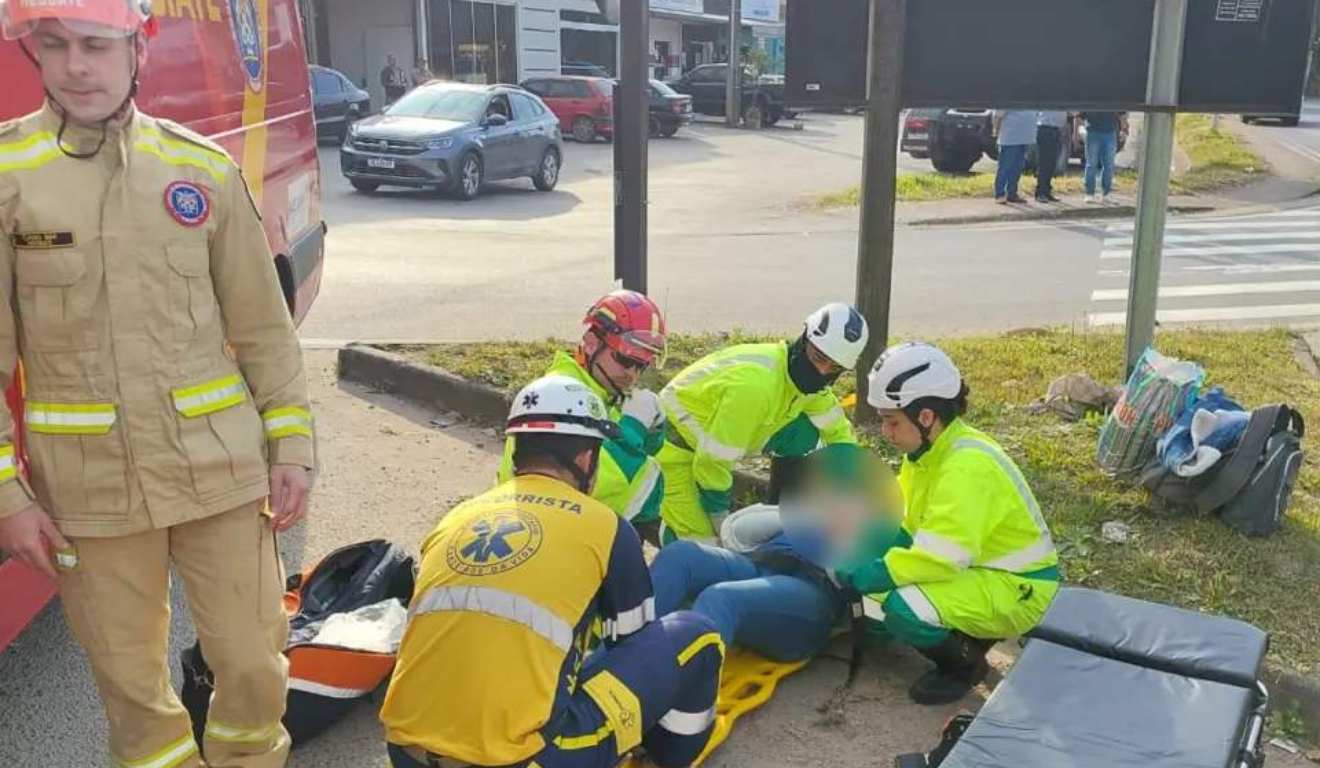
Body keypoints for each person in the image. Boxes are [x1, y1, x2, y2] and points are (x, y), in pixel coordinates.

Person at [0, 2, 315, 766]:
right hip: (90, 496)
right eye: (56, 44)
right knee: (134, 695)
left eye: (95, 45)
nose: (76, 65)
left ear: (137, 46)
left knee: (251, 663)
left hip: (220, 473)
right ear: (33, 50)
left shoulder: (202, 170)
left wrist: (293, 445)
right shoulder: (8, 180)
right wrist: (9, 497)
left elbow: (265, 329)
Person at [381, 375, 724, 768]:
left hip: (405, 752)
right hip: (524, 759)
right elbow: (632, 645)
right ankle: (665, 759)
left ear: (517, 453)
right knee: (697, 637)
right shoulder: (605, 526)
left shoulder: (456, 518)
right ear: (585, 460)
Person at [835, 342, 1059, 705]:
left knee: (902, 609)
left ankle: (964, 666)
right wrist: (863, 547)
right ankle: (966, 634)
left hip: (1018, 588)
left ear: (926, 417)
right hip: (979, 570)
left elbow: (938, 557)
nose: (885, 432)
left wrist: (871, 573)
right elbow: (906, 525)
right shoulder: (926, 453)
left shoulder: (966, 467)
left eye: (892, 421)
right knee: (878, 603)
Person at [650, 443, 900, 663]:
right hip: (758, 566)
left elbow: (872, 595)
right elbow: (734, 534)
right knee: (680, 555)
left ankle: (672, 694)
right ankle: (625, 650)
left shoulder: (877, 536)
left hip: (810, 593)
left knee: (720, 598)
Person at [657, 303, 868, 544]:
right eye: (819, 358)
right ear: (804, 339)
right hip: (673, 447)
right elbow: (712, 462)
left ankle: (780, 515)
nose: (822, 372)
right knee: (705, 548)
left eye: (835, 368)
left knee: (807, 432)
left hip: (715, 437)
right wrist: (721, 519)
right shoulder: (755, 389)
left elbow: (837, 430)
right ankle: (669, 532)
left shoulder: (805, 382)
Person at [497, 290, 668, 538]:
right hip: (552, 535)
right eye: (624, 359)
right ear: (591, 343)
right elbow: (589, 485)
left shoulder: (602, 391)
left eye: (640, 365)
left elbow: (639, 462)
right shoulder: (559, 396)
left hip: (575, 531)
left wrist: (652, 432)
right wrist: (632, 428)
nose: (632, 374)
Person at [1081, 111, 1128, 203]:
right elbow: (1080, 115)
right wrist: (1078, 132)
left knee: (1109, 165)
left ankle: (1106, 194)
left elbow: (1122, 114)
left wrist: (1123, 130)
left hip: (1110, 133)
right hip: (1092, 132)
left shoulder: (1115, 98)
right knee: (1091, 164)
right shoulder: (1090, 97)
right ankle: (1089, 193)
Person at [992, 109, 1036, 204]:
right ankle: (999, 194)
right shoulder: (1008, 97)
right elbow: (998, 116)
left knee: (1018, 167)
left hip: (1025, 138)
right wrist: (995, 132)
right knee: (1005, 167)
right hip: (1010, 138)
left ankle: (1012, 193)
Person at [1034, 110, 1068, 202]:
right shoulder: (1049, 96)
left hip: (1056, 130)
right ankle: (1040, 193)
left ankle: (1047, 191)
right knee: (1044, 163)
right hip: (1045, 128)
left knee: (1052, 164)